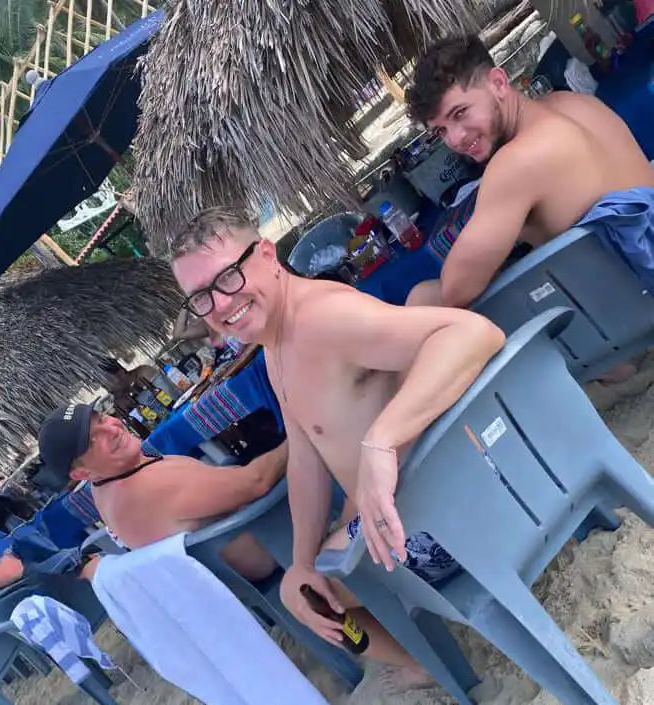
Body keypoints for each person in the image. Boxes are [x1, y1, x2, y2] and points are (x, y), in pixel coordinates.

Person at [170, 207, 505, 686]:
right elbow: (306, 458)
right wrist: (303, 560)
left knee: (311, 597)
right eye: (202, 296)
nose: (221, 304)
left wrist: (381, 442)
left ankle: (423, 664)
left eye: (228, 276)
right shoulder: (275, 345)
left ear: (266, 254)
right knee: (301, 585)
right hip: (407, 515)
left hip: (445, 524)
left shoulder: (321, 317)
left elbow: (473, 333)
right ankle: (418, 659)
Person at [404, 34, 654, 313]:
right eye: (441, 130)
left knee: (422, 298)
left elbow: (455, 290)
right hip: (639, 262)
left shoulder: (515, 164)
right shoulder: (571, 102)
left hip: (627, 301)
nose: (455, 139)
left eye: (460, 113)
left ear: (499, 83)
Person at [38, 403, 287, 581]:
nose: (112, 429)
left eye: (102, 418)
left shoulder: (105, 487)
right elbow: (257, 482)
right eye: (93, 441)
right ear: (81, 474)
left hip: (240, 569)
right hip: (278, 550)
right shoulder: (144, 487)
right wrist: (302, 433)